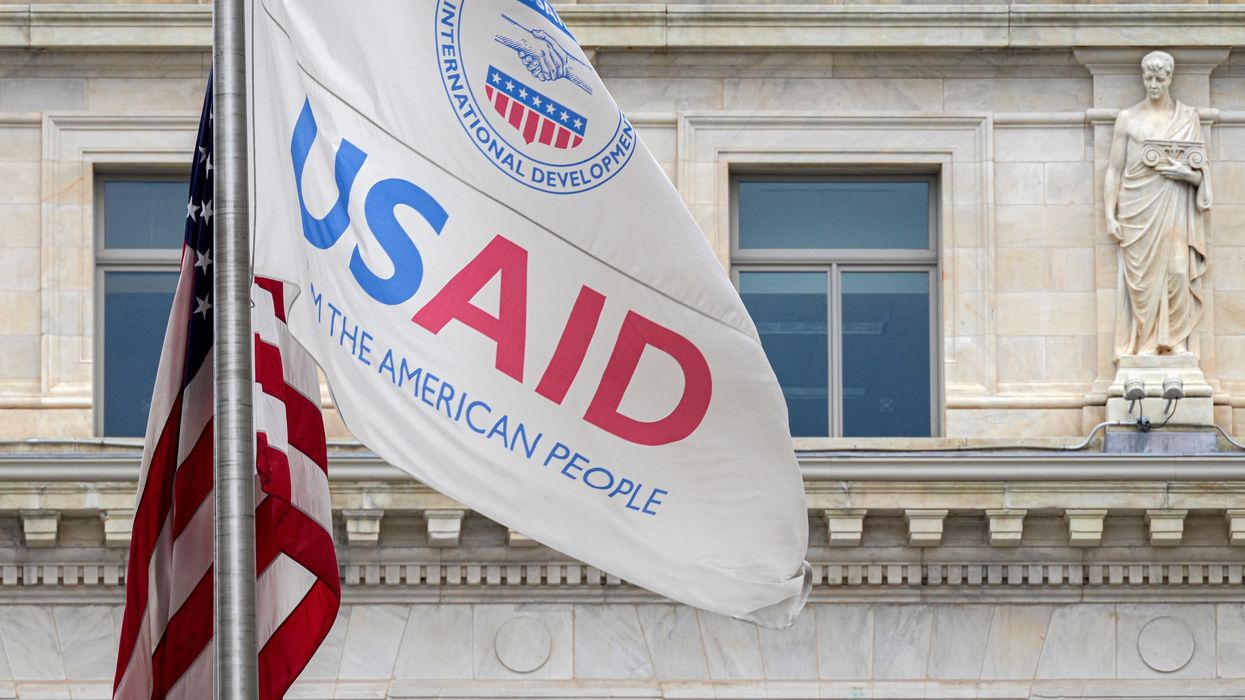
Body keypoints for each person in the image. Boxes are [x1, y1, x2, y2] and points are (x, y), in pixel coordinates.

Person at [1104, 50, 1213, 358]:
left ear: (1169, 79)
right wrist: (1109, 214)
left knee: (1178, 271)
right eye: (1148, 78)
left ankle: (1175, 339)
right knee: (1143, 281)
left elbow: (1201, 169)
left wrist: (1185, 175)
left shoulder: (1186, 117)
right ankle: (1147, 342)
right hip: (1137, 208)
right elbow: (1114, 168)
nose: (1153, 84)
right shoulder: (1128, 119)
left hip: (1175, 202)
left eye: (1159, 79)